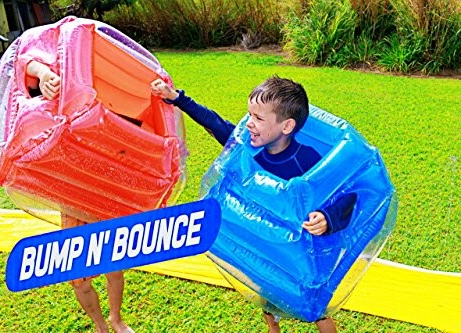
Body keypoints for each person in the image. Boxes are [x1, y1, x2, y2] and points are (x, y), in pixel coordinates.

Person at [151, 76, 357, 333]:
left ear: (286, 126)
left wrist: (327, 217)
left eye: (258, 118)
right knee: (267, 293)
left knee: (317, 310)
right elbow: (215, 123)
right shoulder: (248, 148)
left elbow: (346, 195)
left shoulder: (307, 159)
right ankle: (273, 328)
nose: (248, 123)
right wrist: (177, 99)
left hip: (299, 249)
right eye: (249, 114)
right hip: (264, 240)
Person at [26, 60, 134, 333]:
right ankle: (99, 325)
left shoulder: (103, 107)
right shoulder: (47, 111)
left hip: (104, 199)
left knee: (114, 267)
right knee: (79, 279)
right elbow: (25, 60)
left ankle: (116, 319)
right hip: (72, 206)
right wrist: (43, 74)